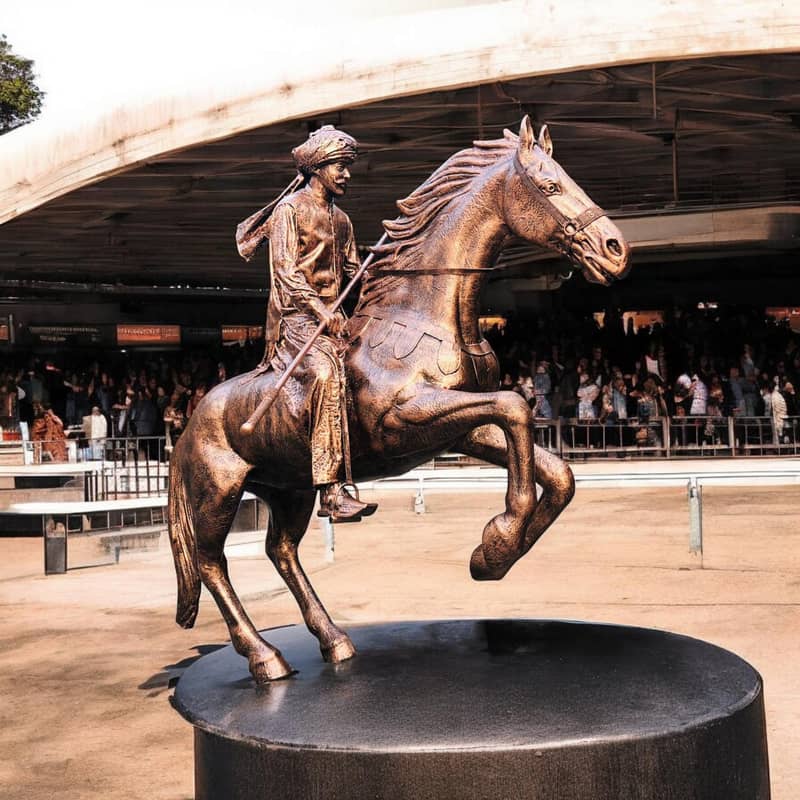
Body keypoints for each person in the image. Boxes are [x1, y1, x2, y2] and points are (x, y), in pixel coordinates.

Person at [235, 125, 376, 522]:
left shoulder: (342, 220)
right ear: (318, 168)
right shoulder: (289, 211)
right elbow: (285, 272)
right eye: (340, 167)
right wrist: (321, 311)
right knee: (326, 374)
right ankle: (331, 492)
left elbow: (351, 272)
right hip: (298, 321)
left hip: (335, 320)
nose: (347, 174)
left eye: (348, 167)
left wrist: (378, 267)